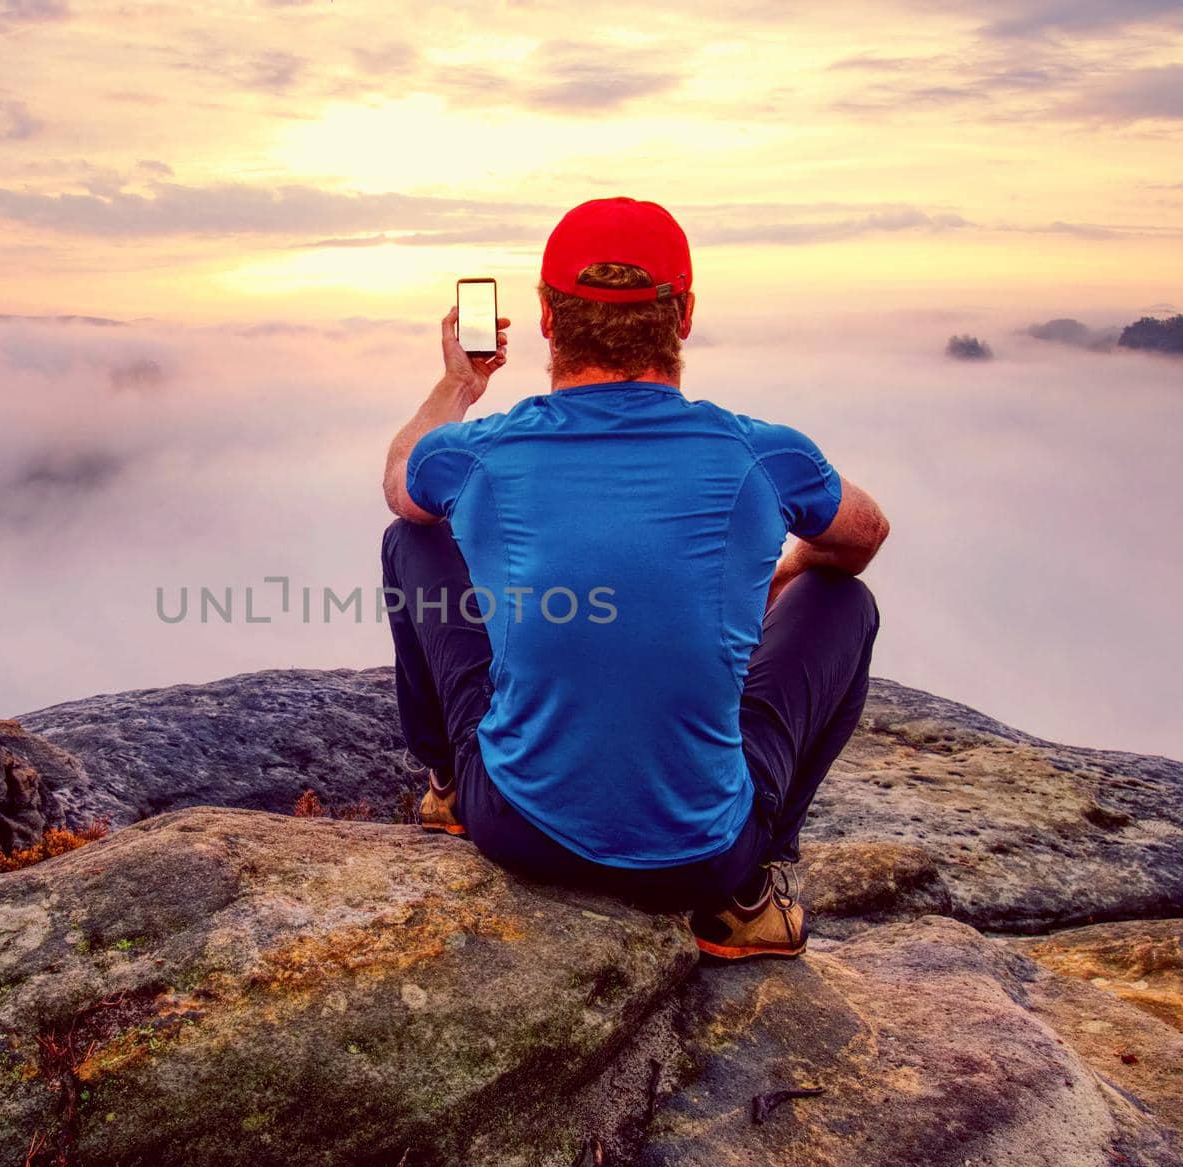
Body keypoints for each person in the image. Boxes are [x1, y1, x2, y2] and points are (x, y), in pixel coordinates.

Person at [380, 197, 889, 960]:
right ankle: (748, 896)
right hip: (701, 855)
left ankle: (452, 788)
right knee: (845, 601)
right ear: (683, 314)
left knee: (410, 541)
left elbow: (399, 483)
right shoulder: (762, 453)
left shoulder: (479, 450)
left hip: (514, 826)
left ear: (549, 319)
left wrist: (458, 386)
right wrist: (787, 566)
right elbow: (863, 536)